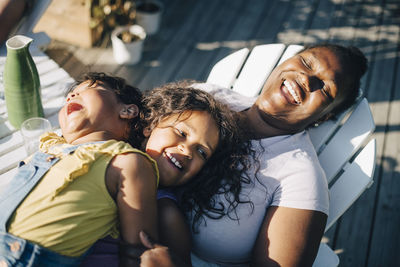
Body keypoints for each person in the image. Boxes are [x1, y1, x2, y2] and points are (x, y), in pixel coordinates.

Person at [137, 43, 368, 267]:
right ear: (285, 62)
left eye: (325, 88)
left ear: (323, 117)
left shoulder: (300, 179)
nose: (307, 79)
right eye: (306, 62)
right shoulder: (208, 98)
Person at [79, 82, 252, 266]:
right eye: (181, 133)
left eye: (201, 152)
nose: (187, 151)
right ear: (151, 125)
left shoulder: (166, 212)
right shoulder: (110, 156)